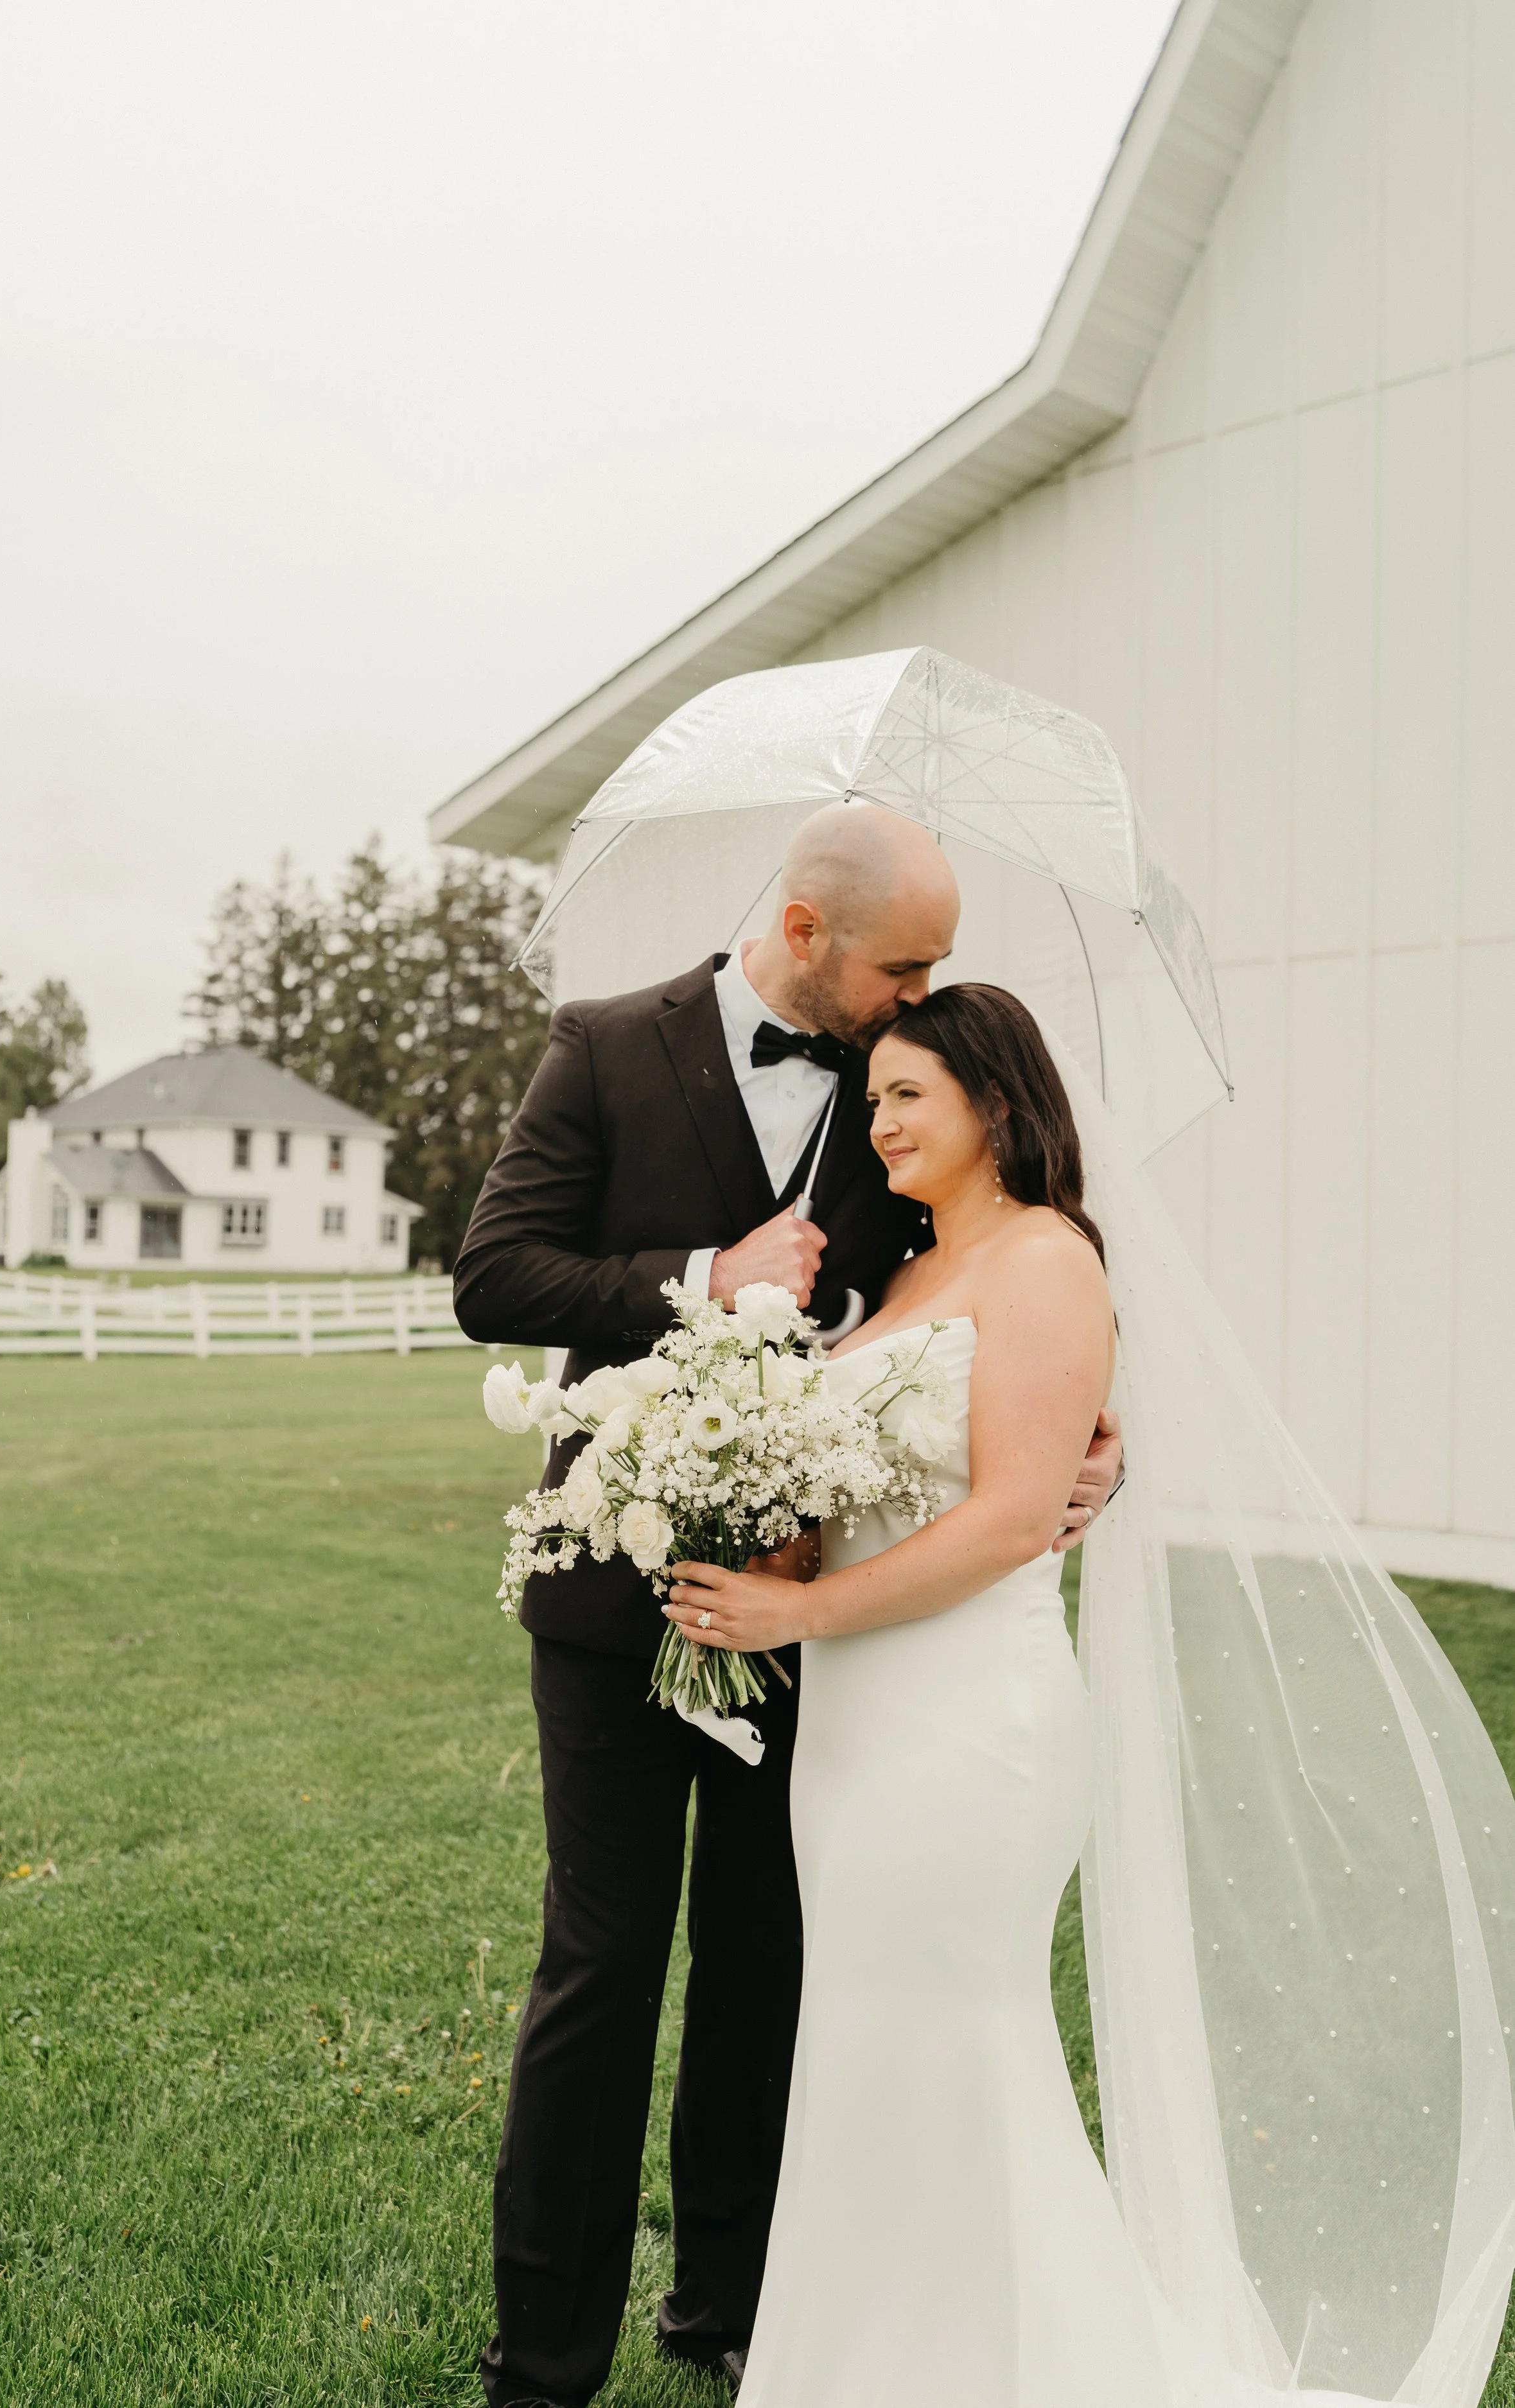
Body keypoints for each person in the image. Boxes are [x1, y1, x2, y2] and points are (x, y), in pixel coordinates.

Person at [660, 984, 1515, 2408]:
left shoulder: (1048, 1262)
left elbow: (1006, 1521)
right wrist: (771, 1530)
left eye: (904, 1097)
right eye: (870, 1101)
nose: (875, 1125)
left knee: (953, 2037)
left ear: (995, 1105)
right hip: (856, 1735)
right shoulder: (911, 1272)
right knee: (864, 2036)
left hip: (968, 1730)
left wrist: (797, 1611)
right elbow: (875, 1493)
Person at [450, 812, 1123, 2408]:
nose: (924, 993)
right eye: (906, 962)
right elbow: (496, 1274)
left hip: (826, 1612)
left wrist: (1089, 1439)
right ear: (808, 930)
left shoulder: (911, 1092)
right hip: (616, 1608)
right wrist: (705, 1266)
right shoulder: (607, 1048)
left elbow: (985, 1304)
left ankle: (737, 2306)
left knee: (771, 1966)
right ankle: (545, 2356)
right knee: (601, 1967)